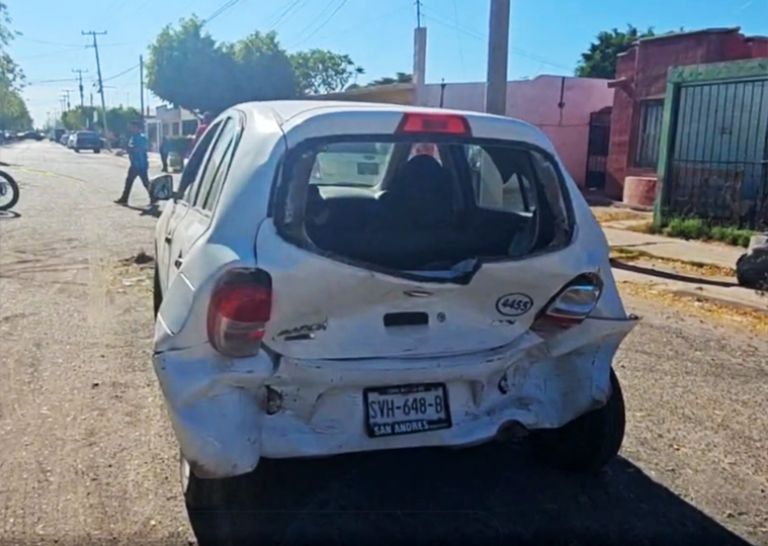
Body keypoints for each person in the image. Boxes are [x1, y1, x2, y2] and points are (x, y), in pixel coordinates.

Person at [115, 120, 154, 206]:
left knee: (145, 182)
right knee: (129, 181)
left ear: (136, 127)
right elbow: (132, 148)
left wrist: (126, 151)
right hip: (135, 164)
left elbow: (140, 149)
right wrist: (125, 151)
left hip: (141, 164)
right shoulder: (133, 137)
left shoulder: (141, 137)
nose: (130, 128)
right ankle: (124, 198)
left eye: (131, 127)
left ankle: (153, 198)